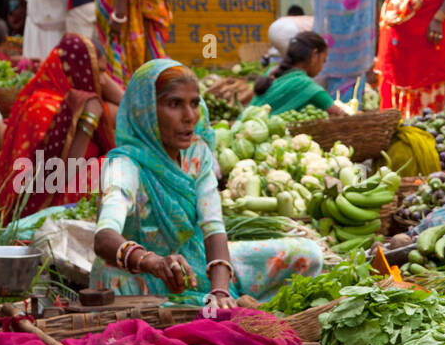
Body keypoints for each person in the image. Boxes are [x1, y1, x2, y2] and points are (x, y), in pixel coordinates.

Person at [90, 60, 322, 306]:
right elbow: (104, 237)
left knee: (309, 254)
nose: (189, 117)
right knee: (159, 307)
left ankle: (215, 298)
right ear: (145, 111)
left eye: (194, 103)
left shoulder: (196, 155)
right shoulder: (126, 165)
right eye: (174, 104)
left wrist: (220, 292)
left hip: (193, 263)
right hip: (140, 278)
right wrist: (154, 262)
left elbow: (213, 227)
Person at [0, 33, 122, 221]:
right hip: (41, 206)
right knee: (115, 166)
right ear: (79, 70)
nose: (103, 80)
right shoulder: (43, 107)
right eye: (99, 71)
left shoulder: (75, 100)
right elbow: (52, 182)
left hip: (66, 190)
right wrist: (86, 123)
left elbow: (131, 111)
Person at [252, 30, 349, 118]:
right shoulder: (307, 86)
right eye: (323, 61)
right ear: (314, 55)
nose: (322, 67)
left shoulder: (271, 72)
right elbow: (340, 114)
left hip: (243, 129)